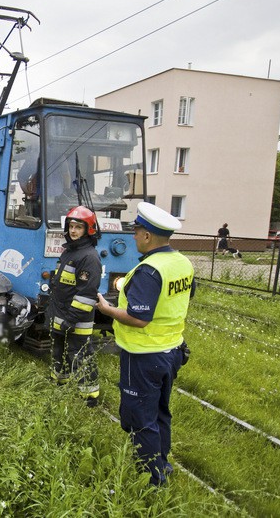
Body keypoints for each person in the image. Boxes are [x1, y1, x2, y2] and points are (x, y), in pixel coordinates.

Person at [96, 201, 194, 486]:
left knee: (140, 418)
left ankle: (152, 480)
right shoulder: (182, 262)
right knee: (161, 411)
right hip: (171, 350)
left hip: (144, 356)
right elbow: (184, 298)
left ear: (148, 236)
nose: (134, 236)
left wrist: (108, 310)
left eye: (136, 231)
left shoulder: (149, 270)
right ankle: (163, 463)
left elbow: (139, 319)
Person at [47, 206, 102, 407]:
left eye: (78, 227)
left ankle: (90, 397)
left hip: (76, 319)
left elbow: (86, 295)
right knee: (59, 350)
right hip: (61, 315)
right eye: (71, 226)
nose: (73, 231)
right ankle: (60, 381)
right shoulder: (70, 252)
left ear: (88, 230)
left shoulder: (89, 257)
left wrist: (71, 319)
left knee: (80, 356)